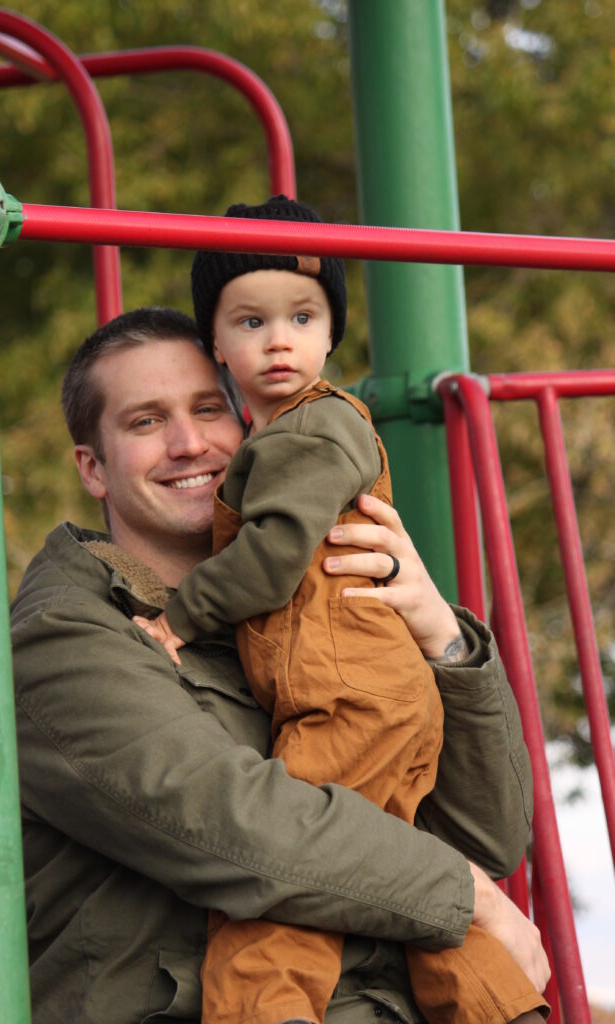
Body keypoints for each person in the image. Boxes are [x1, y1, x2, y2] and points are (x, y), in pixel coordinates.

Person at [11, 305, 549, 1024]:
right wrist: (467, 897)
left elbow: (485, 839)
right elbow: (230, 823)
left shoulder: (310, 595)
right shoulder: (64, 634)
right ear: (93, 467)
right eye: (145, 422)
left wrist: (440, 640)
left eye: (210, 409)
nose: (188, 443)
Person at [135, 196, 549, 1024]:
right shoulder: (289, 434)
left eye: (302, 317)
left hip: (348, 700)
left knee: (279, 898)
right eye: (250, 321)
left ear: (331, 336)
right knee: (406, 878)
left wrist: (179, 619)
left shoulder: (310, 433)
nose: (278, 339)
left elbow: (274, 551)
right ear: (215, 342)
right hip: (365, 698)